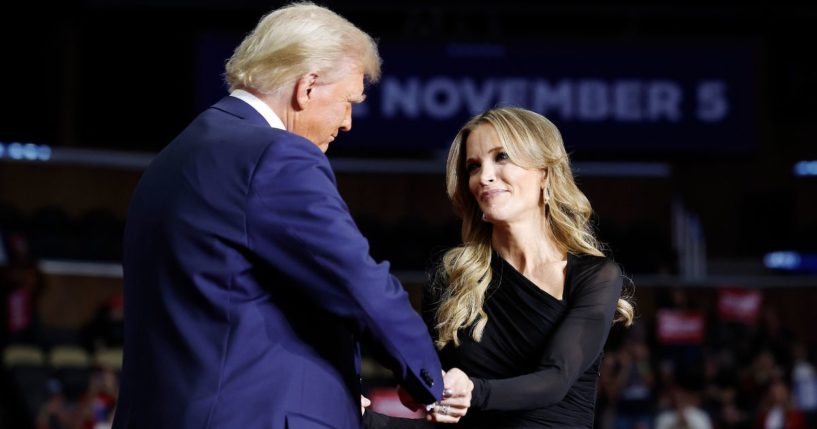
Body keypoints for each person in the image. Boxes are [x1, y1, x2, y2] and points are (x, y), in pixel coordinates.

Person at [112, 3, 448, 428]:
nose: (347, 123)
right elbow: (356, 281)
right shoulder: (276, 155)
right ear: (307, 87)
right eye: (348, 101)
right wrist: (428, 379)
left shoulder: (174, 156)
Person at [423, 107, 635, 427]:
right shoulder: (451, 280)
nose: (485, 176)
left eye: (502, 156)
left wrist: (473, 392)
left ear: (545, 174)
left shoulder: (595, 276)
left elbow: (556, 378)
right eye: (473, 166)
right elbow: (434, 392)